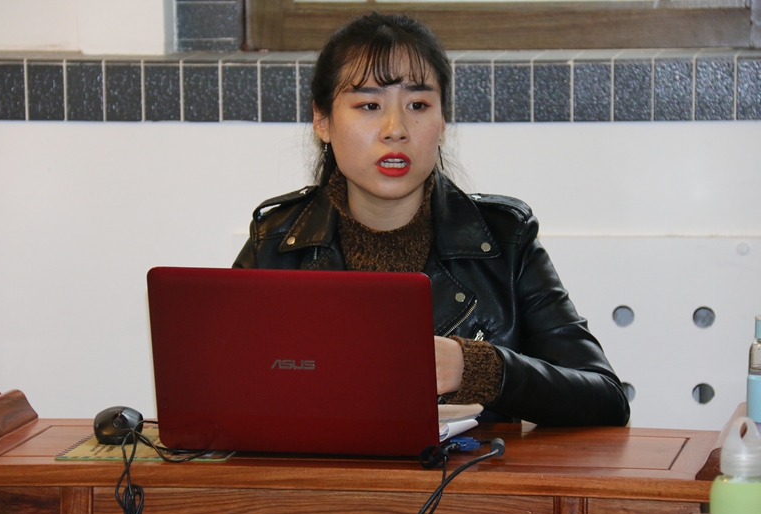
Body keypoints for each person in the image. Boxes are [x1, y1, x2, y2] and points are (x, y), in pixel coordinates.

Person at [233, 12, 630, 427]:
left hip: (467, 469)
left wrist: (474, 367)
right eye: (369, 105)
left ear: (442, 121)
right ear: (322, 120)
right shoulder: (276, 242)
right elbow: (218, 389)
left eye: (418, 105)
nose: (395, 129)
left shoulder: (505, 240)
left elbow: (605, 399)